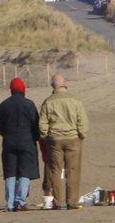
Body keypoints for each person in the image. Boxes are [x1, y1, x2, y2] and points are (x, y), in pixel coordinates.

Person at [38, 73, 89, 210]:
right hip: (73, 138)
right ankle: (72, 202)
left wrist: (46, 136)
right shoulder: (74, 100)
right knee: (73, 171)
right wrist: (81, 134)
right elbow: (82, 120)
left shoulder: (48, 101)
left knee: (55, 171)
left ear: (52, 85)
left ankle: (59, 202)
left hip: (55, 140)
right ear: (64, 84)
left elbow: (42, 124)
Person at [0, 77, 40, 212]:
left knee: (10, 173)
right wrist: (34, 138)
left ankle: (10, 204)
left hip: (9, 142)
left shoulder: (4, 105)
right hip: (26, 142)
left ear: (11, 90)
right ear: (23, 89)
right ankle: (21, 201)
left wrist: (7, 135)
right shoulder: (29, 104)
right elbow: (36, 124)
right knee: (24, 173)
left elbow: (0, 126)